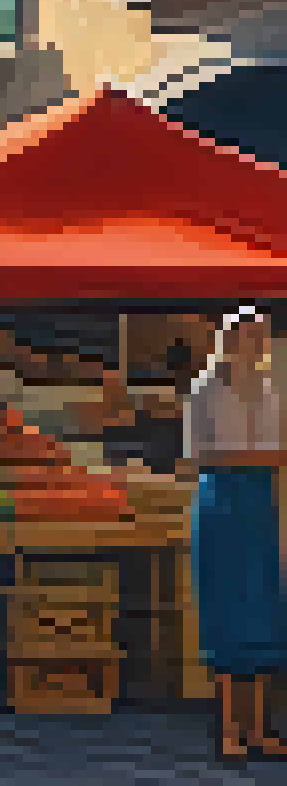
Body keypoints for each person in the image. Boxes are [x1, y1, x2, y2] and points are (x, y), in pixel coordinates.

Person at [187, 304, 287, 758]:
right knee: (226, 613)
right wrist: (264, 458)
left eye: (260, 337)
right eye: (248, 336)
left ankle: (260, 727)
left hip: (259, 505)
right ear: (228, 340)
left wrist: (265, 459)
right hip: (222, 504)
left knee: (263, 613)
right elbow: (202, 455)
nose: (255, 344)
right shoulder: (207, 389)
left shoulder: (268, 390)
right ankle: (229, 729)